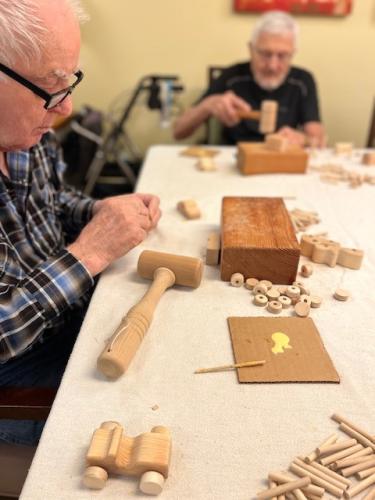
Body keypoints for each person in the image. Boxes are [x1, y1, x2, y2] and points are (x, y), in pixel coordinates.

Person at [0, 0, 161, 447]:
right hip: (18, 376)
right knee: (154, 401)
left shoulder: (24, 130)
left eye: (69, 81)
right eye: (51, 87)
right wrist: (91, 251)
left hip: (69, 313)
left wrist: (100, 213)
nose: (66, 108)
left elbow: (51, 200)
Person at [173, 11, 325, 147]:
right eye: (265, 54)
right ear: (251, 49)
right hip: (233, 159)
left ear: (293, 53)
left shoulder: (303, 81)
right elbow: (178, 132)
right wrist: (207, 105)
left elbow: (317, 138)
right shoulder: (231, 76)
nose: (272, 65)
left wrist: (303, 139)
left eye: (282, 56)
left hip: (280, 159)